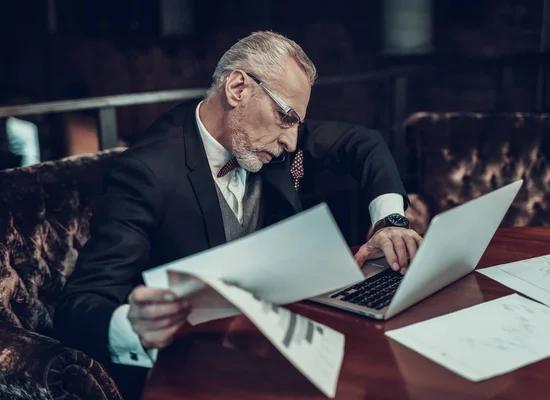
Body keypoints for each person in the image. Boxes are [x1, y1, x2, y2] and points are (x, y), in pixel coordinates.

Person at [53, 31, 423, 399]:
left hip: (279, 347)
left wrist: (390, 221)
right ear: (238, 88)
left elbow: (365, 145)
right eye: (286, 117)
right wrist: (132, 325)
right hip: (195, 372)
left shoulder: (271, 141)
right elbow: (79, 306)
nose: (291, 142)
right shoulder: (147, 173)